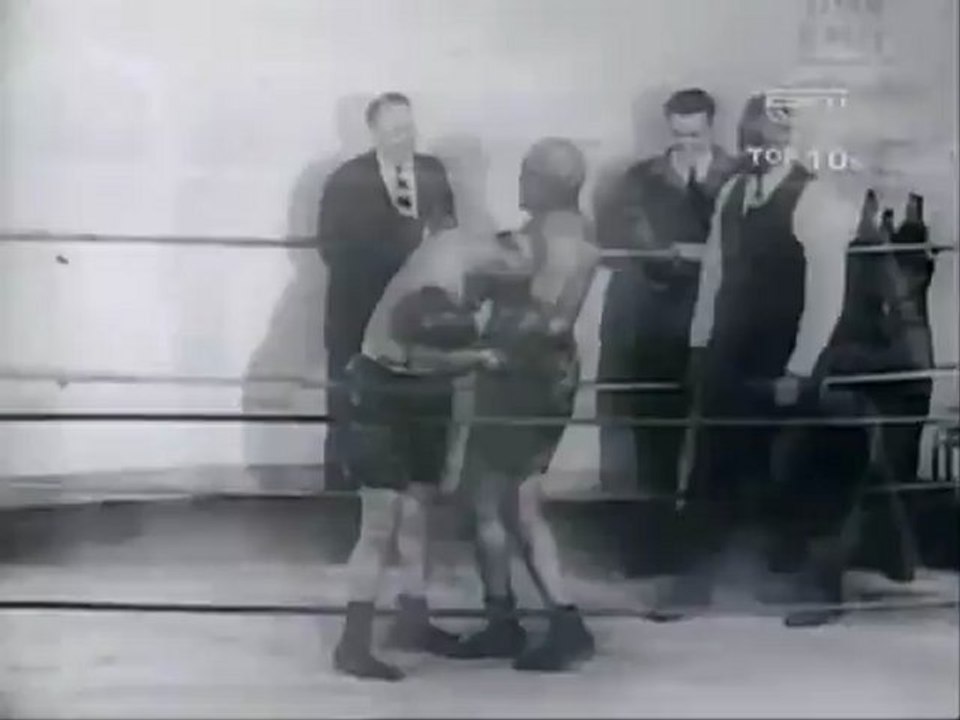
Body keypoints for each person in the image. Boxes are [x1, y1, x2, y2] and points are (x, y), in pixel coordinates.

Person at [648, 93, 857, 620]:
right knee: (713, 465)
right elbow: (714, 275)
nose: (757, 149)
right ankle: (695, 582)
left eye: (767, 141)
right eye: (750, 140)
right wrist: (700, 344)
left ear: (788, 141)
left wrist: (799, 368)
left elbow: (827, 295)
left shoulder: (815, 199)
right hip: (732, 350)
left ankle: (818, 590)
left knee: (798, 467)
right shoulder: (733, 194)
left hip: (787, 352)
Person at [332, 225, 531, 681]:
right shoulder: (438, 277)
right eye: (497, 286)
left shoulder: (475, 258)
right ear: (491, 264)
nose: (490, 299)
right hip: (383, 387)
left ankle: (413, 620)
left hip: (424, 394)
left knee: (420, 510)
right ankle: (352, 642)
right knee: (380, 521)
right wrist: (481, 359)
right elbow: (412, 356)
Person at [448, 138, 600, 671]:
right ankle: (505, 621)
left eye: (529, 173)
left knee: (509, 502)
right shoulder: (573, 237)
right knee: (495, 496)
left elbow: (547, 319)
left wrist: (490, 338)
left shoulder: (543, 240)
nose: (520, 181)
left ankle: (562, 621)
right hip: (541, 375)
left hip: (524, 378)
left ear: (548, 182)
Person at [596, 88, 738, 502]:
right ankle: (654, 521)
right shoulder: (641, 179)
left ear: (712, 128)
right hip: (658, 316)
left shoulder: (737, 176)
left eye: (696, 135)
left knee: (717, 422)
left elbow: (746, 242)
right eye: (679, 135)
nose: (687, 144)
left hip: (720, 315)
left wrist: (699, 254)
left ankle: (709, 524)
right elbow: (634, 237)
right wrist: (669, 256)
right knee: (657, 420)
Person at [320, 92, 456, 491]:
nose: (405, 138)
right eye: (395, 130)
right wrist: (400, 244)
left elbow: (450, 236)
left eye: (409, 128)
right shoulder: (346, 180)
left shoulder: (433, 172)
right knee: (355, 407)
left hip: (419, 321)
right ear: (373, 132)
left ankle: (420, 490)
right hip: (358, 317)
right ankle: (343, 499)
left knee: (421, 414)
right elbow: (331, 248)